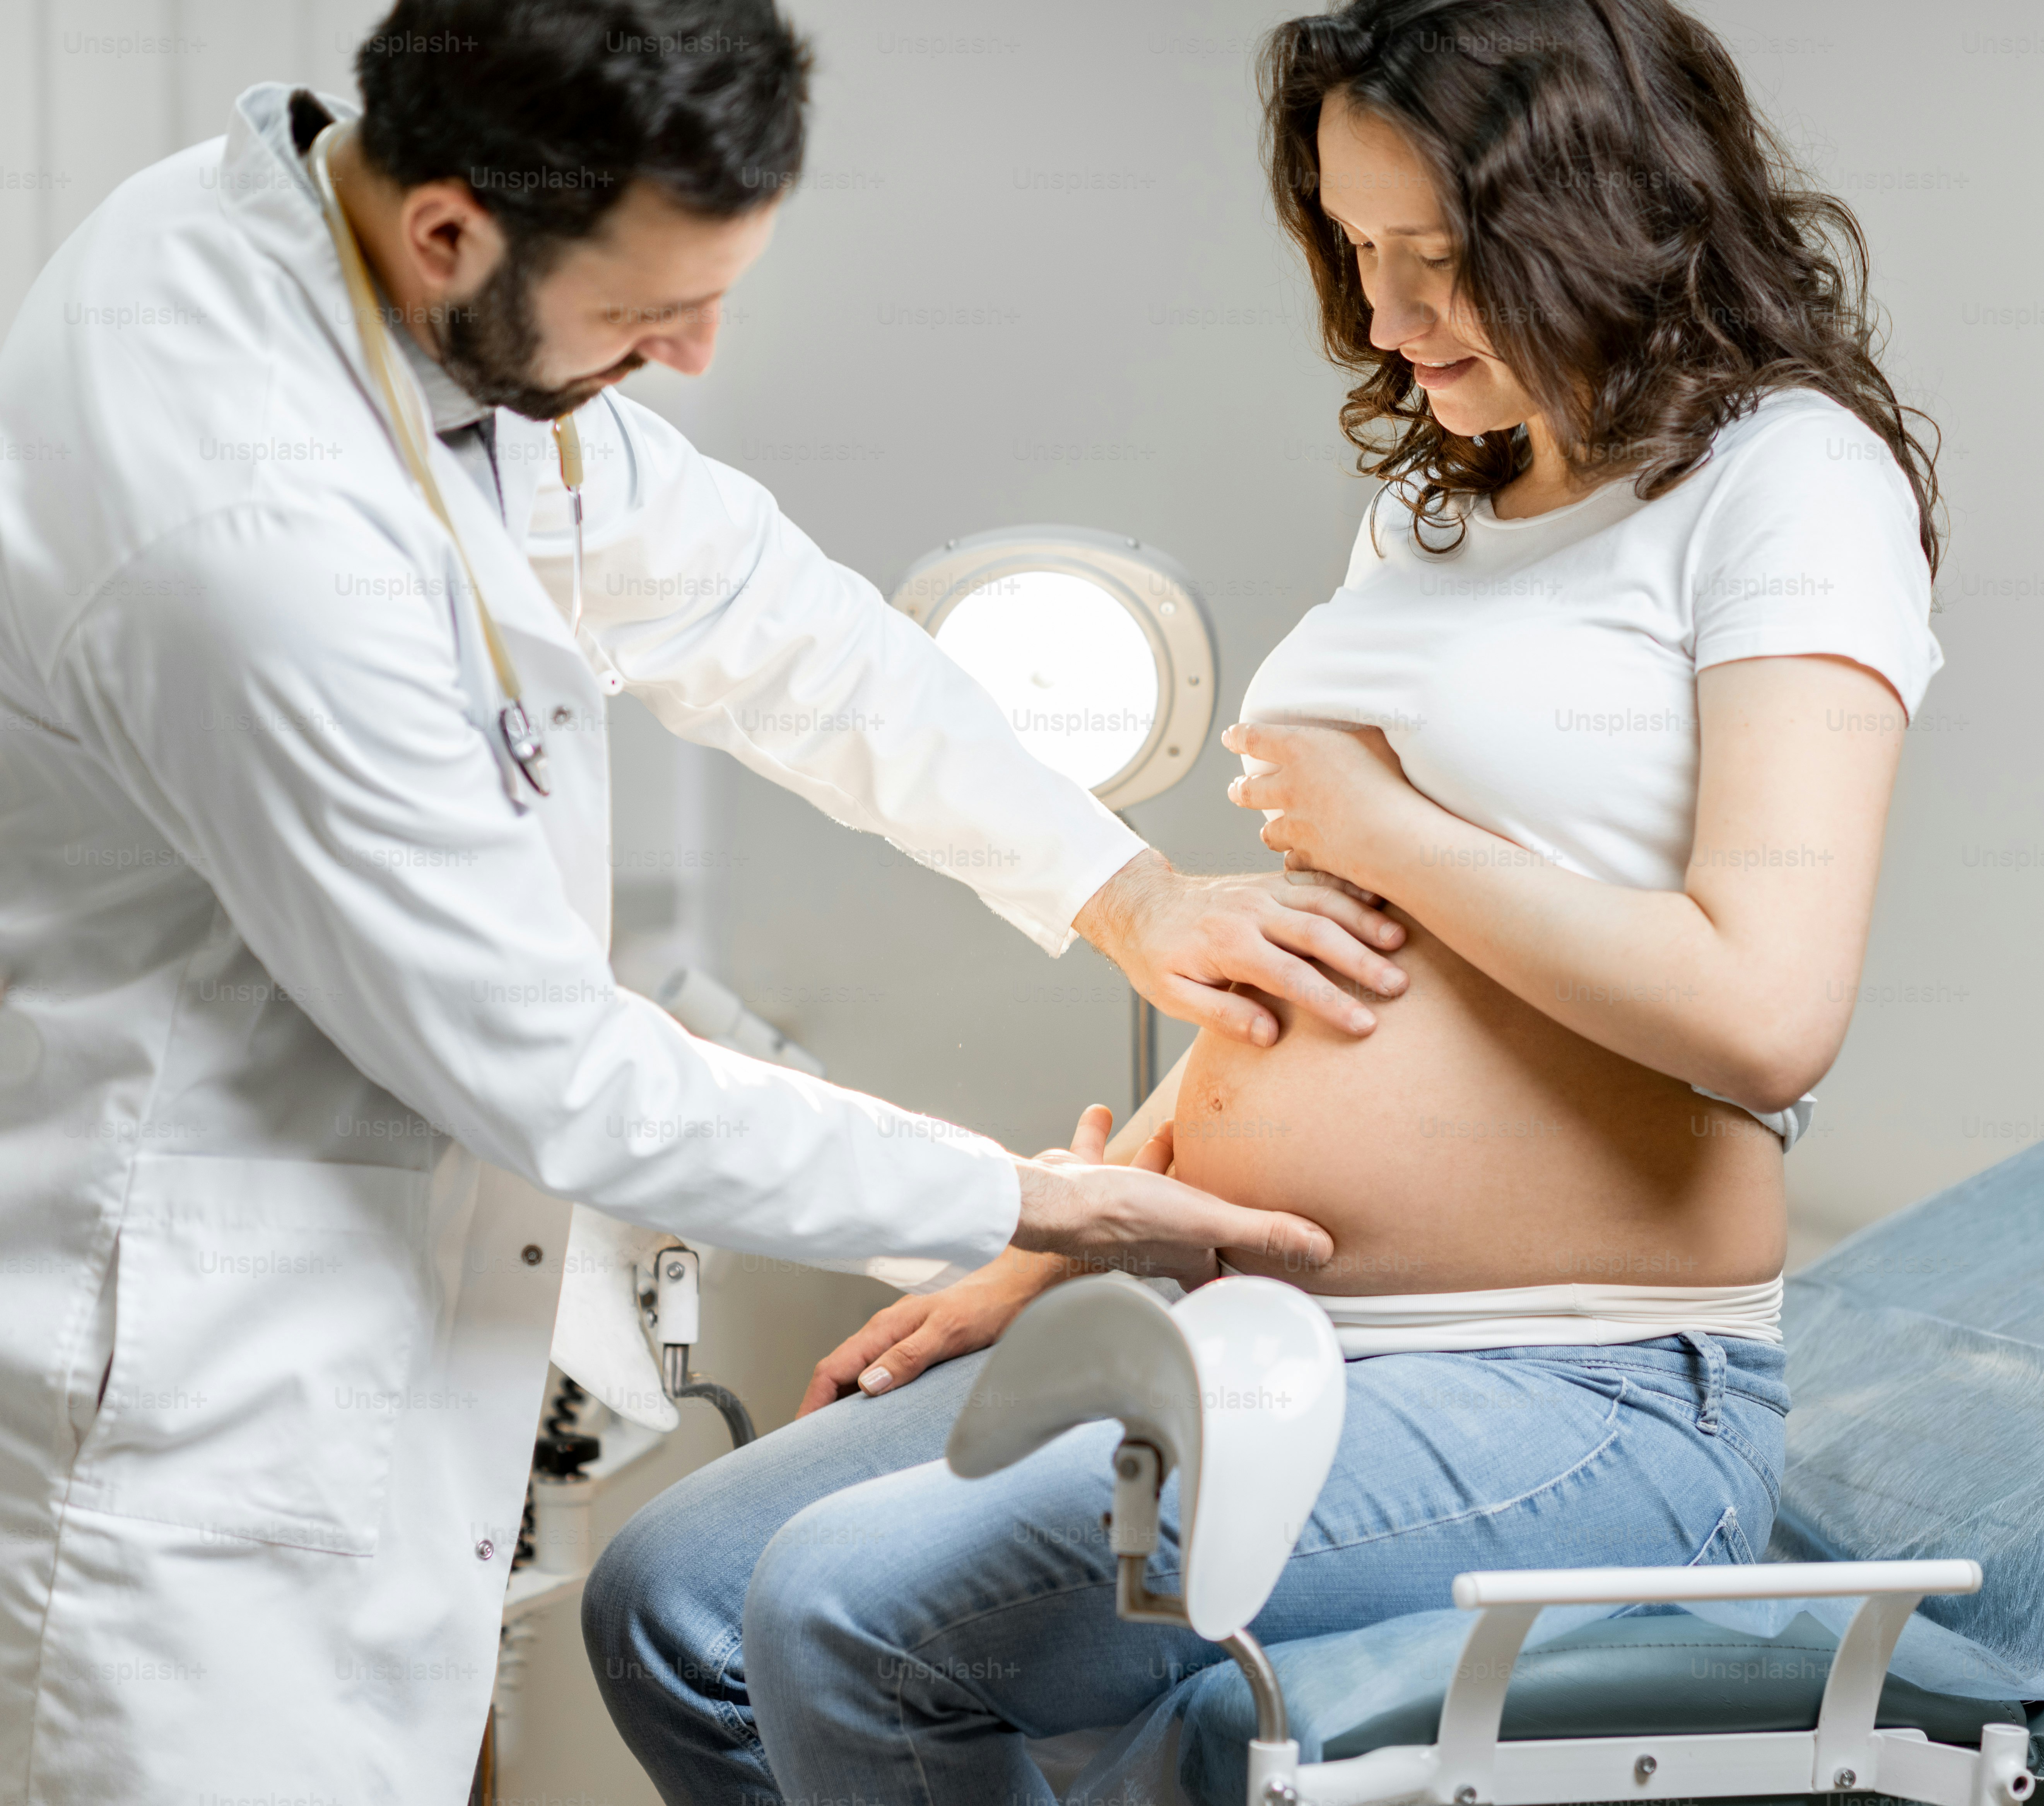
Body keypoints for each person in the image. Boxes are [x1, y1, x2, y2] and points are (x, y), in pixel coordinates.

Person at [0, 2, 1414, 1797]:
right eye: (649, 311)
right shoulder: (244, 523)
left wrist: (1115, 881)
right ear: (452, 231)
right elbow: (555, 1072)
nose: (693, 350)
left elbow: (751, 608)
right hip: (199, 1401)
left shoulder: (415, 303)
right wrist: (1031, 1204)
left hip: (363, 1329)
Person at [583, 2, 1950, 1801]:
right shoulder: (1445, 499)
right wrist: (1069, 1226)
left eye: (1441, 260)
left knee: (850, 1604)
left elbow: (1767, 1007)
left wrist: (1380, 823)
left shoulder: (1788, 478)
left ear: (1601, 215)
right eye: (1358, 251)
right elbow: (1323, 939)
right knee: (670, 1597)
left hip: (1589, 1382)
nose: (1383, 318)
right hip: (1250, 1322)